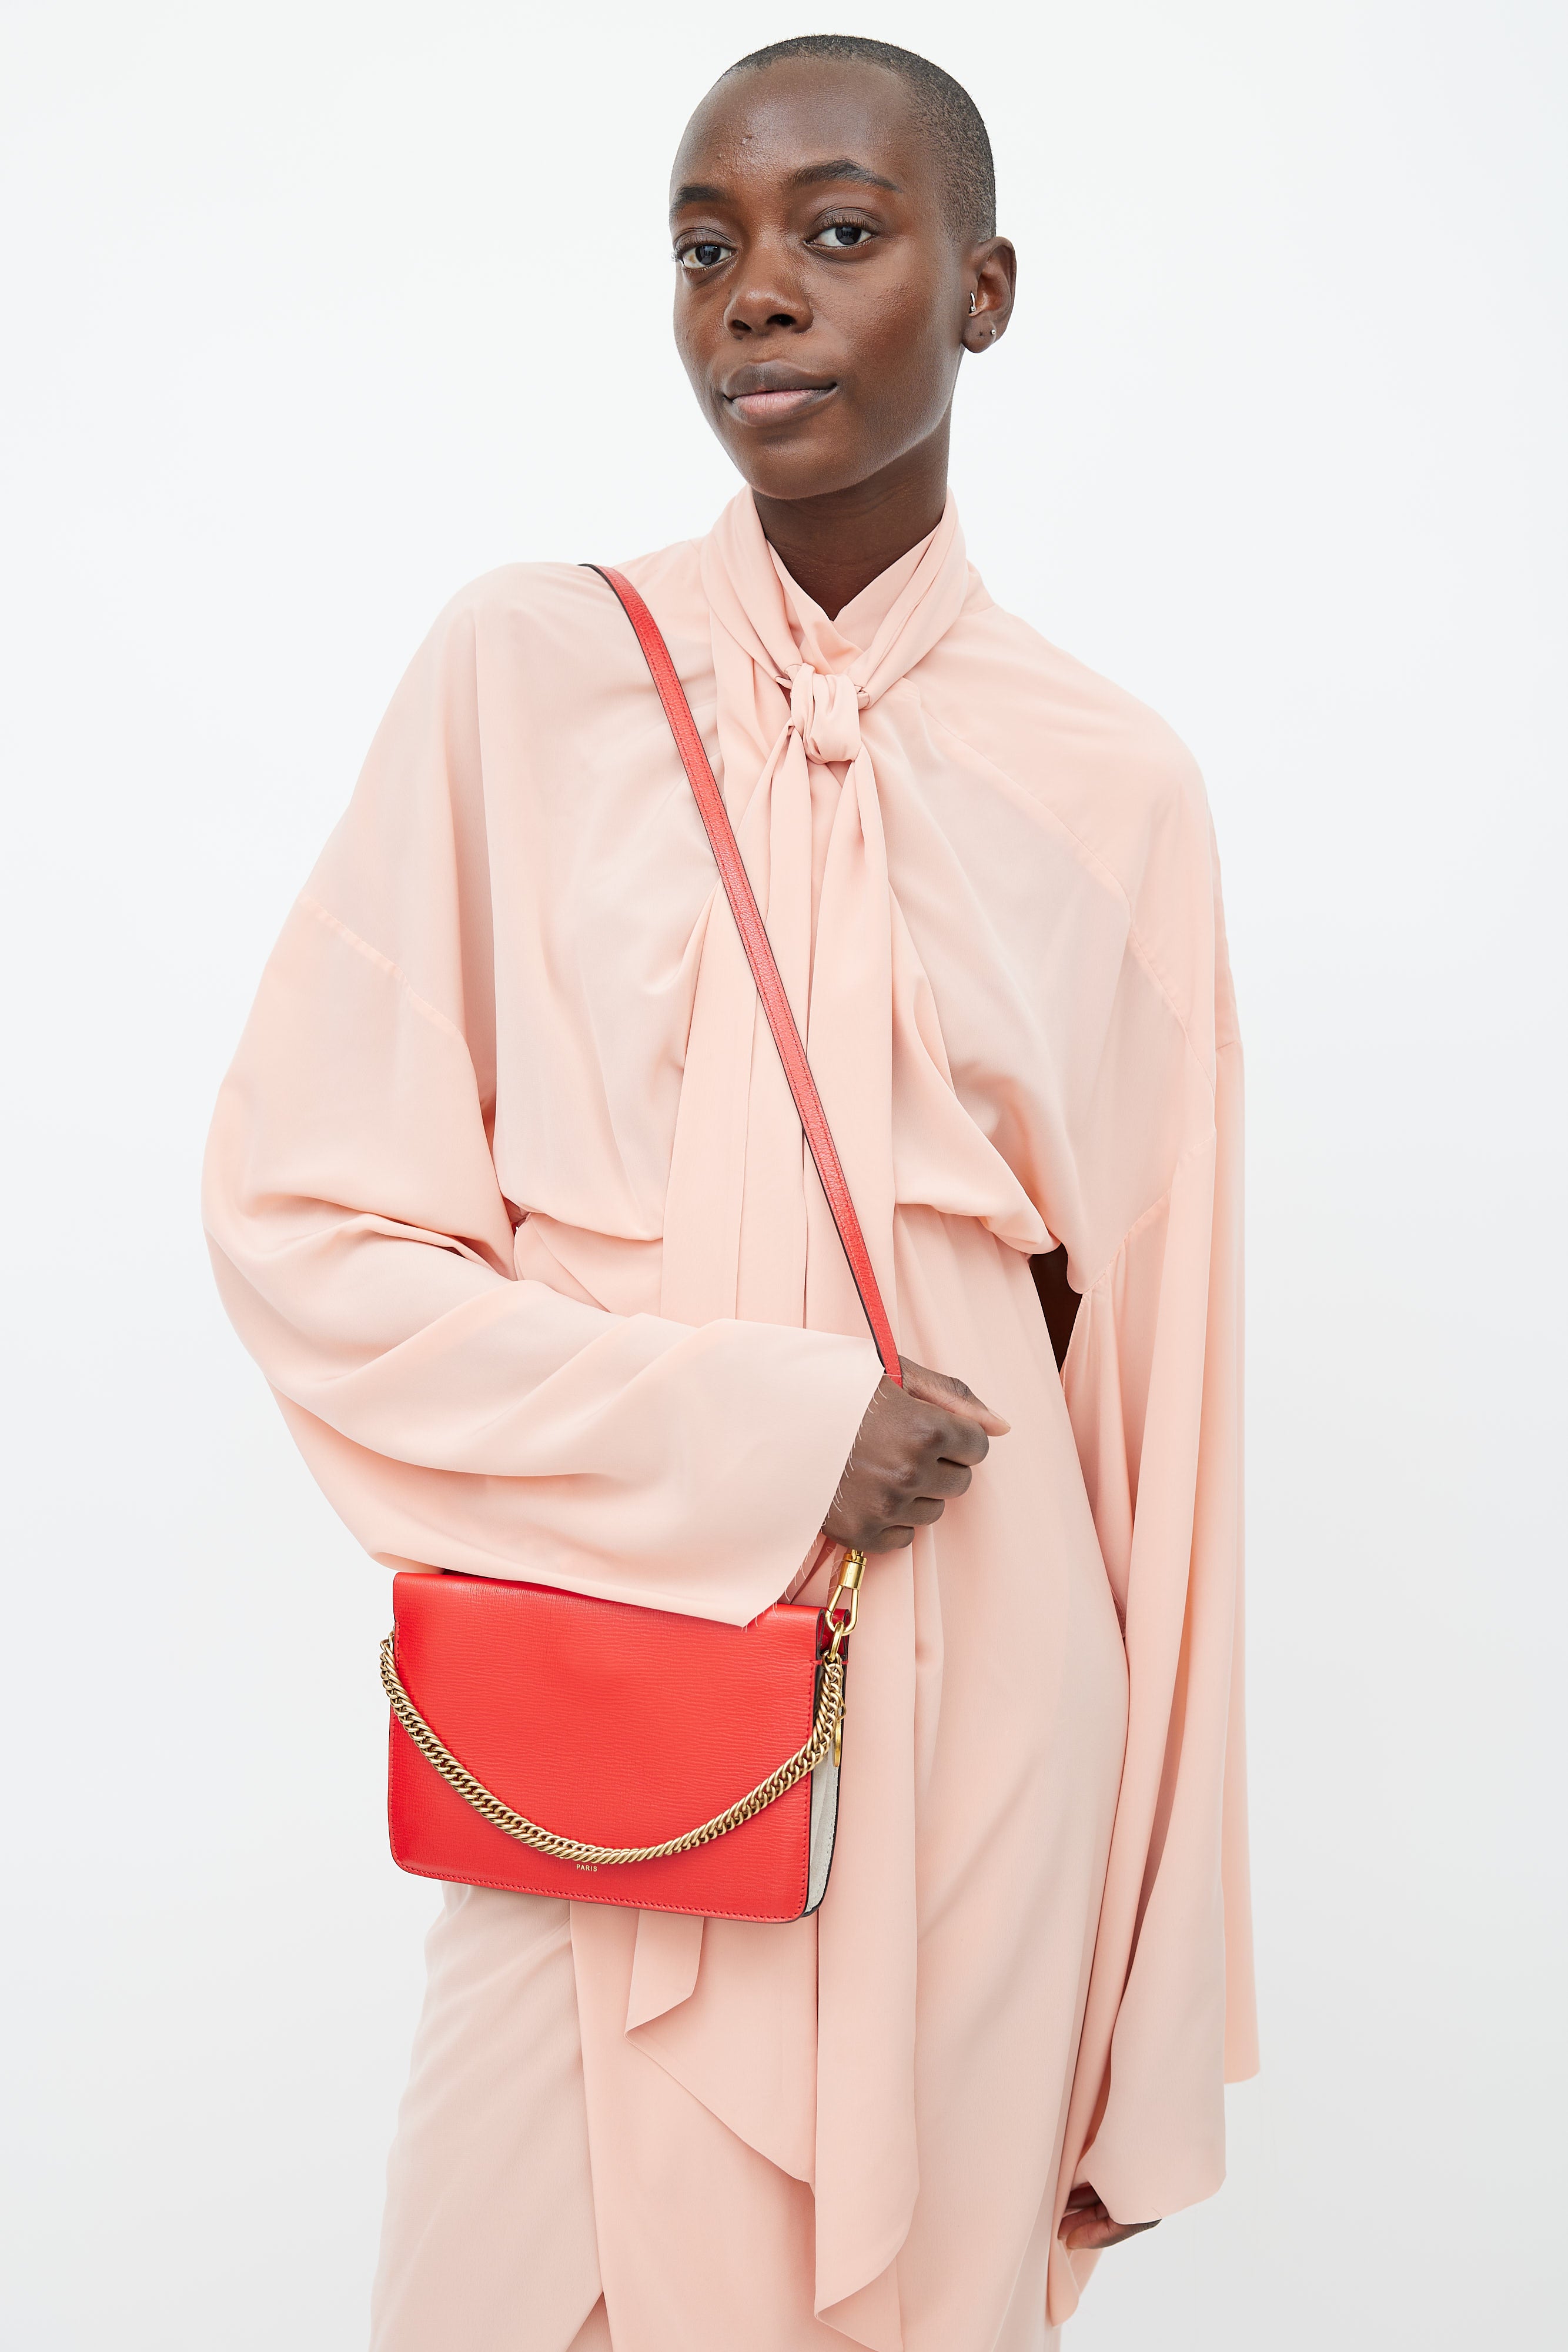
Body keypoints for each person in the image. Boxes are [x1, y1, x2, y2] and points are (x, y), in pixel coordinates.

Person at [204, 32, 1256, 2352]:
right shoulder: (523, 671)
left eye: (836, 233)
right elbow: (308, 1228)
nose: (754, 294)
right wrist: (760, 1433)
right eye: (704, 250)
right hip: (622, 1669)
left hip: (991, 1706)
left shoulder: (1118, 788)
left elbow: (1160, 1428)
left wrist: (1151, 1981)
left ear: (983, 289)